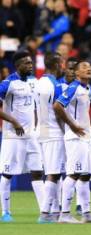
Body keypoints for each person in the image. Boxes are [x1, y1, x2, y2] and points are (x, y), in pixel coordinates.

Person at [53, 61, 91, 223]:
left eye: (90, 67)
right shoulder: (73, 87)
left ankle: (86, 214)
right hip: (75, 138)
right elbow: (57, 106)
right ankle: (64, 214)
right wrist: (72, 125)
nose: (89, 69)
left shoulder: (89, 89)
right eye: (84, 67)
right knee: (73, 174)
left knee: (85, 175)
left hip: (86, 137)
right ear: (77, 73)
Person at [0, 50, 44, 222]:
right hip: (13, 135)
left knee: (37, 172)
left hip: (31, 135)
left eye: (31, 62)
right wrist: (14, 122)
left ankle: (44, 212)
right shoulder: (8, 83)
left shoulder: (33, 82)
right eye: (27, 63)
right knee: (7, 173)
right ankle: (6, 212)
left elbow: (33, 105)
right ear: (17, 65)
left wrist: (35, 123)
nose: (30, 65)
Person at [36, 52, 65, 223]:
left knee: (51, 172)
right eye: (62, 63)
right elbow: (59, 110)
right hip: (54, 132)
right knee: (53, 173)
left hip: (41, 130)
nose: (63, 67)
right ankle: (45, 213)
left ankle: (55, 210)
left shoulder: (39, 83)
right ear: (56, 65)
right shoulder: (56, 85)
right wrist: (67, 129)